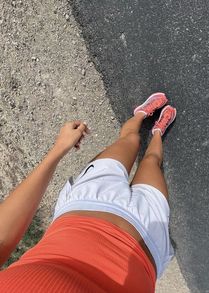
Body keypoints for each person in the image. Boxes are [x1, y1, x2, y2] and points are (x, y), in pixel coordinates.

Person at [0, 92, 176, 293]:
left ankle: (140, 115)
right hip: (147, 244)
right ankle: (157, 132)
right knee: (152, 161)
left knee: (131, 139)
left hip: (85, 205)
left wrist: (58, 150)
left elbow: (2, 238)